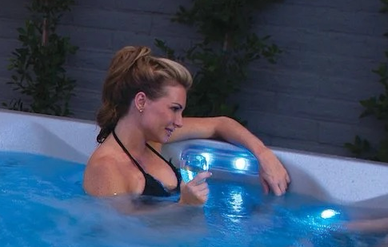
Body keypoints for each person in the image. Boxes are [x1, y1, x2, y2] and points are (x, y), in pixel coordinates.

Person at [82, 46, 291, 205]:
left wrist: (263, 154)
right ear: (141, 102)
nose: (179, 121)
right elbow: (119, 236)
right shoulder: (106, 168)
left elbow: (220, 124)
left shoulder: (152, 141)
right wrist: (184, 206)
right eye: (174, 109)